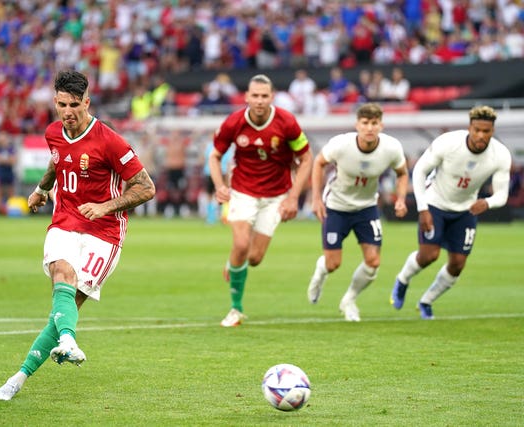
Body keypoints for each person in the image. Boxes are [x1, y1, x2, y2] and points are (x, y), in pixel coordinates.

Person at [0, 70, 155, 401]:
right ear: (55, 102)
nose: (67, 112)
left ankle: (21, 375)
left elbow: (146, 187)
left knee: (65, 309)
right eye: (61, 104)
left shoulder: (110, 141)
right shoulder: (54, 132)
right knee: (61, 276)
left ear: (87, 103)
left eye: (74, 105)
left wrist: (107, 206)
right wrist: (41, 189)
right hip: (64, 220)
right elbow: (56, 162)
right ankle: (66, 343)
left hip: (104, 233)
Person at [209, 74, 313, 327]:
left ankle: (233, 263)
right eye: (254, 96)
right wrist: (220, 186)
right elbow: (215, 156)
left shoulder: (287, 122)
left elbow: (307, 157)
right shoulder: (234, 122)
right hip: (242, 192)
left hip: (276, 196)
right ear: (246, 97)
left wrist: (293, 198)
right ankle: (236, 309)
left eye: (264, 96)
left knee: (254, 258)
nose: (259, 100)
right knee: (242, 243)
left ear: (272, 97)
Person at [390, 106, 512, 319]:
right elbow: (419, 171)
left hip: (466, 210)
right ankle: (402, 280)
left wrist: (488, 203)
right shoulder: (448, 143)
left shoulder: (500, 155)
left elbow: (502, 195)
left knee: (457, 264)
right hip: (435, 204)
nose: (481, 135)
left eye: (486, 131)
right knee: (429, 256)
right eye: (477, 130)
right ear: (469, 128)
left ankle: (426, 301)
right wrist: (423, 208)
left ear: (492, 131)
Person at [307, 103, 408, 322]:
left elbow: (402, 172)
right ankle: (319, 274)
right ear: (357, 125)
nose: (369, 128)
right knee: (333, 263)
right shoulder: (341, 144)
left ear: (381, 125)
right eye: (365, 123)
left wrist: (400, 199)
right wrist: (316, 199)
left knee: (373, 262)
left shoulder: (391, 148)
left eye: (374, 123)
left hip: (366, 208)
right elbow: (319, 163)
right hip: (336, 206)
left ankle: (349, 300)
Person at [0, 131, 17, 215]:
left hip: (9, 172)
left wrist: (3, 160)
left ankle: (11, 211)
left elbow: (13, 161)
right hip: (1, 172)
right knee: (0, 193)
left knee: (10, 192)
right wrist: (7, 160)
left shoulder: (11, 148)